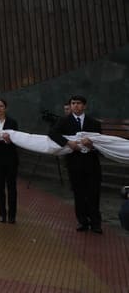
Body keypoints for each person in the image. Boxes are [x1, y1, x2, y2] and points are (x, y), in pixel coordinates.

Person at [49, 95, 103, 234]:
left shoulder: (94, 123)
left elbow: (100, 144)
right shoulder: (64, 121)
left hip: (92, 164)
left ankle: (96, 223)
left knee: (93, 194)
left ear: (84, 106)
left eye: (79, 103)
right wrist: (68, 143)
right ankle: (82, 221)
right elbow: (52, 133)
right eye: (73, 103)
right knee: (79, 194)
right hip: (74, 163)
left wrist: (91, 145)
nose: (76, 106)